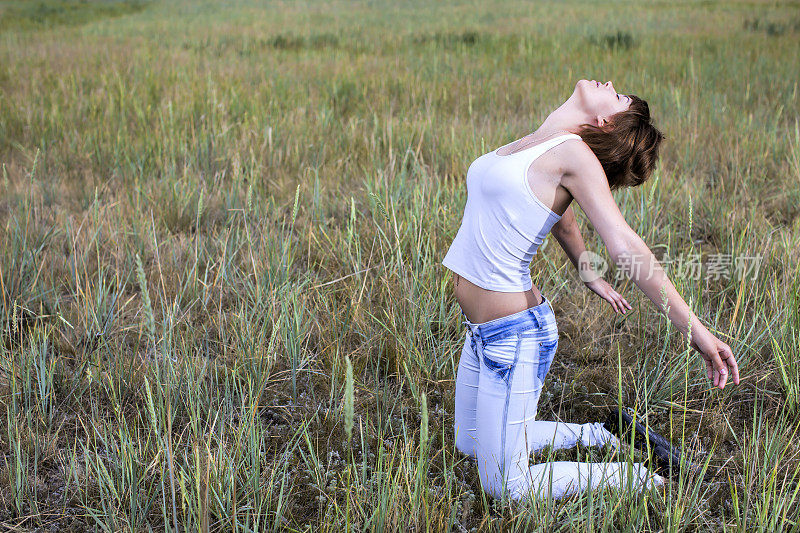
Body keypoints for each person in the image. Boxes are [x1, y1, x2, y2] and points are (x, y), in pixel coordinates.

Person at [443, 79, 741, 502]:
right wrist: (587, 270)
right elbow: (558, 216)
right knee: (467, 441)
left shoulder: (573, 153)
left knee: (504, 488)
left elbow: (624, 244)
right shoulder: (541, 140)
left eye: (618, 97)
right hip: (481, 331)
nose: (612, 84)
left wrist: (695, 328)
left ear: (605, 121)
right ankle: (598, 435)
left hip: (515, 336)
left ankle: (638, 478)